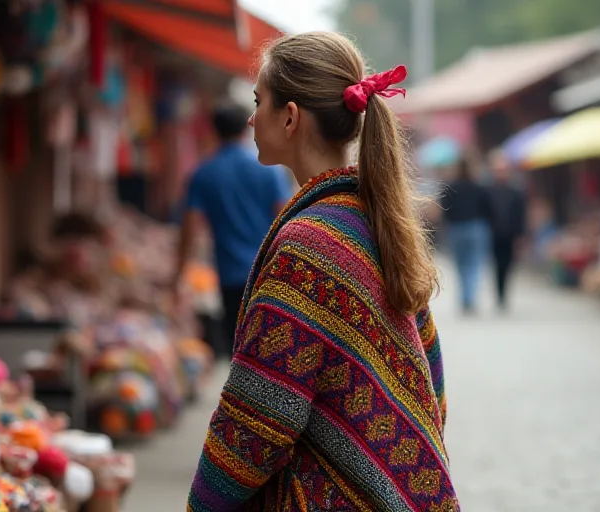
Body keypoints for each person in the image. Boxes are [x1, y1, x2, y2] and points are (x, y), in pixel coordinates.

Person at [187, 32, 457, 511]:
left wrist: (202, 503)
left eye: (259, 101)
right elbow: (430, 380)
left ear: (289, 117)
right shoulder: (369, 222)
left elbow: (259, 419)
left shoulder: (308, 247)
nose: (251, 117)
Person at [174, 102, 293, 359]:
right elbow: (286, 220)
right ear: (245, 128)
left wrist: (179, 276)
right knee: (272, 355)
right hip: (269, 274)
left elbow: (190, 230)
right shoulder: (270, 170)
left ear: (214, 131)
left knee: (239, 353)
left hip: (229, 276)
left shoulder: (204, 174)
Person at [439, 156, 492, 314]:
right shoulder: (479, 187)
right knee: (474, 264)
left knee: (461, 264)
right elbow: (488, 208)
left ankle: (465, 298)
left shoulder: (450, 187)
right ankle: (470, 297)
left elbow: (444, 208)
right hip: (476, 227)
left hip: (456, 228)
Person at [486, 150, 527, 311]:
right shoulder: (488, 191)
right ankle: (499, 294)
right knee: (497, 264)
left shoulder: (516, 192)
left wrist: (521, 235)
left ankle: (504, 293)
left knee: (508, 265)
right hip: (494, 234)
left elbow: (520, 215)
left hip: (510, 234)